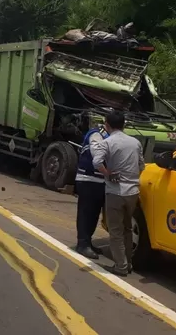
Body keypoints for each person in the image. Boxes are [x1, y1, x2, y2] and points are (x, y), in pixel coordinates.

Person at [91, 111, 145, 276]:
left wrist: (108, 173)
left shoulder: (107, 142)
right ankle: (128, 263)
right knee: (127, 228)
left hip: (115, 192)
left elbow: (96, 162)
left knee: (115, 231)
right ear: (124, 125)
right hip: (133, 192)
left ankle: (120, 266)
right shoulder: (135, 143)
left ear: (107, 125)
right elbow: (141, 165)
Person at [74, 124, 109, 259]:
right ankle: (82, 244)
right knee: (85, 212)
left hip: (100, 180)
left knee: (94, 214)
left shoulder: (108, 135)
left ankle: (88, 242)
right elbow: (97, 155)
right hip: (88, 179)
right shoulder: (97, 134)